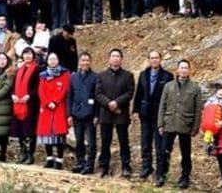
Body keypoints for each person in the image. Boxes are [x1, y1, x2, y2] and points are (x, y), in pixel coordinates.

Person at [154, 59, 202, 189]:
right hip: (169, 123)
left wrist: (195, 127)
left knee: (186, 153)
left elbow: (198, 109)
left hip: (185, 125)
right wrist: (160, 124)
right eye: (182, 67)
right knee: (164, 151)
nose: (184, 70)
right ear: (177, 70)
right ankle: (161, 175)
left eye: (186, 68)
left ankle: (185, 177)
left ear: (189, 70)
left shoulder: (195, 88)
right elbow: (162, 106)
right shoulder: (168, 86)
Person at [133, 50, 174, 180]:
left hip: (159, 115)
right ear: (149, 60)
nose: (154, 60)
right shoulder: (143, 75)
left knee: (160, 145)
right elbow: (138, 93)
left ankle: (160, 171)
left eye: (156, 58)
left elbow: (170, 98)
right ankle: (146, 166)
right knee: (145, 142)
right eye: (152, 58)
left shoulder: (167, 76)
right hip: (145, 114)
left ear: (160, 59)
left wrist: (167, 115)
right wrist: (135, 110)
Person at [96, 48, 135, 178]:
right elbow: (98, 93)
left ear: (121, 59)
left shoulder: (128, 76)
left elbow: (130, 93)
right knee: (105, 141)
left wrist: (117, 103)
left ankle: (126, 167)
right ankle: (104, 167)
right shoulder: (101, 75)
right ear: (109, 59)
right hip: (105, 114)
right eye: (113, 56)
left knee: (124, 141)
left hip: (121, 113)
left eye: (118, 56)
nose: (115, 58)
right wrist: (109, 103)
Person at [36, 52, 69, 169]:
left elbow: (64, 89)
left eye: (55, 59)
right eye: (50, 59)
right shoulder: (43, 75)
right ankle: (49, 158)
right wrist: (47, 102)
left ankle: (59, 160)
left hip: (58, 107)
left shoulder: (64, 73)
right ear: (47, 61)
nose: (53, 61)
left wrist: (55, 101)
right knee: (47, 134)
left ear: (58, 60)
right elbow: (41, 91)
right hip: (46, 108)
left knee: (59, 134)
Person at [69, 51, 98, 174]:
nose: (85, 62)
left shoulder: (95, 77)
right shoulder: (73, 77)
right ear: (79, 62)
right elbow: (69, 96)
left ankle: (89, 165)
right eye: (83, 60)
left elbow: (97, 97)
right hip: (76, 113)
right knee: (79, 140)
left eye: (87, 60)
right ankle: (80, 163)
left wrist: (97, 115)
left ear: (90, 62)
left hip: (90, 114)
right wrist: (69, 114)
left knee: (91, 142)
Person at [11, 46, 41, 164]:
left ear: (33, 56)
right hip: (18, 103)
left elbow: (37, 86)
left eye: (29, 54)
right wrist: (13, 94)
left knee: (29, 130)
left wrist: (29, 96)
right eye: (25, 54)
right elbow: (13, 85)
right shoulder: (19, 69)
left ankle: (30, 154)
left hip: (30, 104)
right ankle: (22, 152)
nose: (27, 56)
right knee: (20, 130)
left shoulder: (37, 69)